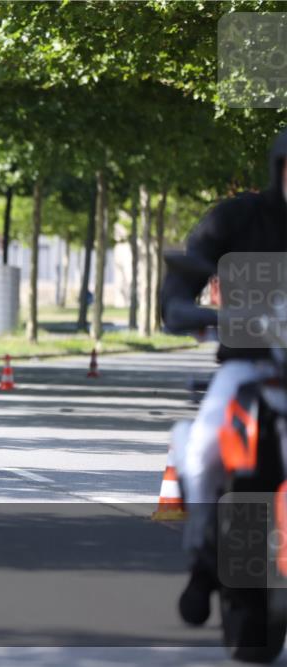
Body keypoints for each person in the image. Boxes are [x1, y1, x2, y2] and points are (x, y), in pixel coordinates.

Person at [161, 127, 287, 625]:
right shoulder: (237, 218)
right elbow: (186, 277)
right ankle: (201, 562)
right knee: (207, 445)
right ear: (279, 169)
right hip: (250, 365)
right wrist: (179, 303)